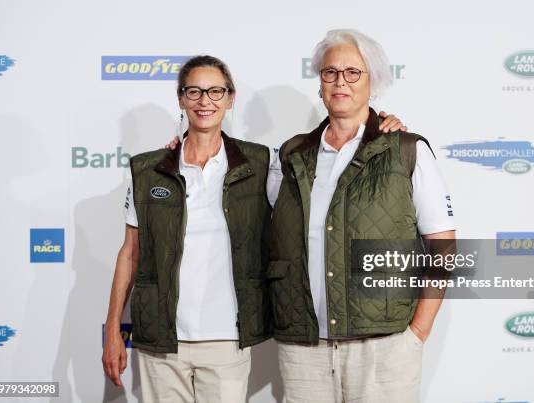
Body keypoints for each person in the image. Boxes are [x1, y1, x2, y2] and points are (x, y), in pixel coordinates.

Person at [102, 54, 406, 402]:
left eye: (216, 91)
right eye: (195, 92)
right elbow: (129, 253)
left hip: (228, 340)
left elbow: (313, 211)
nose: (205, 102)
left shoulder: (262, 163)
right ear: (181, 99)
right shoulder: (147, 169)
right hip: (160, 341)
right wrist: (113, 328)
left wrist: (378, 126)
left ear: (230, 99)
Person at [268, 29, 456, 402]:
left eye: (353, 72)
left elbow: (444, 246)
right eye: (330, 72)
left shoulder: (407, 150)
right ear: (319, 81)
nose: (340, 81)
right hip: (305, 349)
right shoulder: (290, 156)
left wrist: (416, 332)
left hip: (384, 349)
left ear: (374, 81)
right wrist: (183, 143)